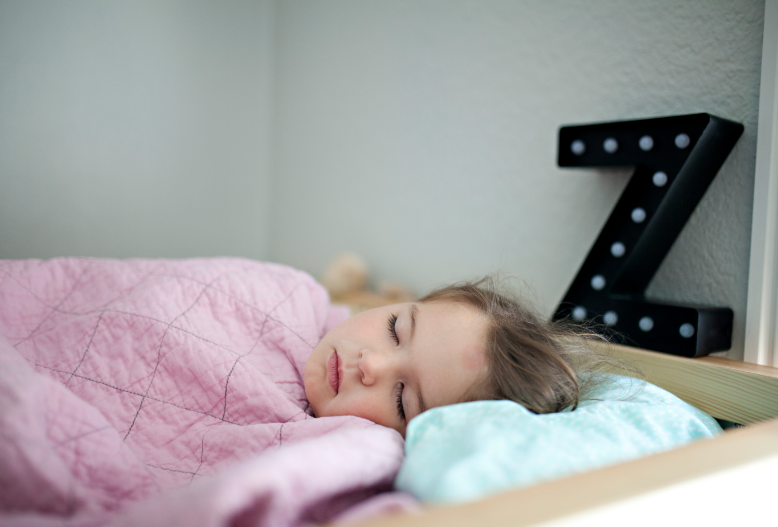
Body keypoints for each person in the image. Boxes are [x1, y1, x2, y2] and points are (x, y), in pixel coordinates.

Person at [304, 276, 620, 437]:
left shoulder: (347, 459)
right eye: (393, 329)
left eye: (402, 400)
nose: (371, 364)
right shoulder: (302, 298)